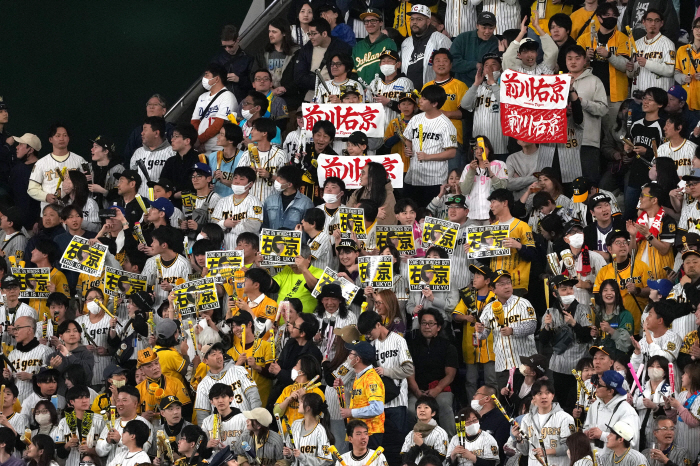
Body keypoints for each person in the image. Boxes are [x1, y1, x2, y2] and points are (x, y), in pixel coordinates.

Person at [358, 310, 414, 466]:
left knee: (396, 447)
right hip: (377, 406)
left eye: (369, 332)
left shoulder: (398, 340)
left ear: (378, 324)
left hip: (396, 402)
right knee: (378, 449)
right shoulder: (371, 345)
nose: (368, 336)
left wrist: (386, 371)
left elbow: (409, 369)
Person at [540, 275, 594, 412]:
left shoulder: (583, 309)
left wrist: (574, 324)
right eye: (564, 289)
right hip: (559, 365)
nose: (569, 292)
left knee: (580, 404)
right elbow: (543, 341)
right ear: (555, 293)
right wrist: (546, 327)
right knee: (562, 404)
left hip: (580, 364)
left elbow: (588, 337)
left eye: (571, 288)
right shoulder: (549, 312)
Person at [476, 269, 537, 389]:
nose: (507, 286)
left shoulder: (523, 303)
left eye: (508, 283)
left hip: (525, 365)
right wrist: (479, 330)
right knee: (506, 403)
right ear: (493, 289)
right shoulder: (488, 309)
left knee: (526, 402)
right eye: (502, 284)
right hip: (502, 365)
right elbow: (483, 336)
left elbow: (532, 326)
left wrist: (513, 330)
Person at [576, 3, 630, 128]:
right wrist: (585, 58)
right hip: (590, 93)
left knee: (612, 131)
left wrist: (609, 56)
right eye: (607, 15)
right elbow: (573, 63)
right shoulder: (585, 39)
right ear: (599, 18)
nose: (611, 17)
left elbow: (625, 66)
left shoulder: (622, 38)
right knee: (590, 129)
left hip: (613, 95)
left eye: (614, 15)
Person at [402, 85, 457, 202]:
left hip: (434, 180)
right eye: (421, 97)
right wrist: (408, 148)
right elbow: (408, 138)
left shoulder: (446, 124)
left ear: (434, 103)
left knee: (429, 215)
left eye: (424, 99)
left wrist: (428, 157)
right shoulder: (416, 119)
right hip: (414, 176)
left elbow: (452, 152)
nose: (420, 101)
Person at [406, 309, 457, 436]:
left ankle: (451, 441)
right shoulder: (411, 345)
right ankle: (416, 443)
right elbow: (409, 371)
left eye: (430, 324)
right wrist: (417, 391)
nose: (426, 327)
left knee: (444, 406)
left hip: (440, 389)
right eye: (423, 323)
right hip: (417, 389)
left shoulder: (448, 346)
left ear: (438, 327)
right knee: (411, 409)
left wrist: (437, 389)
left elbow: (450, 375)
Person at [593, 229, 650, 333]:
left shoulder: (641, 266)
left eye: (625, 242)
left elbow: (653, 291)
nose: (622, 245)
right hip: (614, 326)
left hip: (640, 325)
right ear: (609, 249)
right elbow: (597, 297)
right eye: (618, 243)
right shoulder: (604, 271)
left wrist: (637, 290)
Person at [194, 343, 262, 425]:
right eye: (214, 354)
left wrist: (256, 419)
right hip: (223, 432)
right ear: (205, 360)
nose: (219, 356)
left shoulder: (239, 370)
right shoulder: (203, 385)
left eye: (220, 353)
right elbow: (202, 416)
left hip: (247, 424)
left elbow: (253, 395)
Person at [513, 380, 575, 466]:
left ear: (552, 396)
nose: (544, 397)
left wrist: (546, 451)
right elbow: (524, 452)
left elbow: (570, 446)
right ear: (533, 397)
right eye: (539, 393)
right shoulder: (526, 419)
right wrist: (518, 439)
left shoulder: (565, 418)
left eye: (547, 393)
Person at [487, 189, 536, 294]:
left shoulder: (523, 226)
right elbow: (487, 259)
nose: (491, 206)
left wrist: (519, 246)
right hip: (495, 283)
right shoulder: (491, 228)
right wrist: (474, 251)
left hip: (516, 283)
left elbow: (533, 255)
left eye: (493, 202)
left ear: (505, 203)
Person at [28, 123, 87, 211]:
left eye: (65, 135)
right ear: (50, 139)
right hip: (50, 211)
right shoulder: (41, 163)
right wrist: (45, 196)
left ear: (68, 138)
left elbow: (87, 185)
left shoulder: (80, 161)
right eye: (58, 135)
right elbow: (32, 189)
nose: (61, 138)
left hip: (74, 211)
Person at [294, 18, 353, 103]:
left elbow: (349, 72)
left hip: (338, 94)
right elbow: (298, 76)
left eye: (313, 34)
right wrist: (320, 83)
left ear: (324, 33)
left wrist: (333, 84)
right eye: (309, 34)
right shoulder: (306, 49)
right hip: (312, 94)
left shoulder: (342, 48)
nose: (310, 37)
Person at [626, 182, 676, 280]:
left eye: (642, 195)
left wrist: (648, 235)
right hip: (640, 277)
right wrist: (632, 236)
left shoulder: (667, 221)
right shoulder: (640, 221)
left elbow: (664, 250)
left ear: (654, 200)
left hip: (661, 278)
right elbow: (632, 254)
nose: (639, 198)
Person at [339, 341, 385, 448]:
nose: (349, 356)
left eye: (351, 354)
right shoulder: (359, 376)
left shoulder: (371, 378)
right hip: (358, 431)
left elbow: (377, 408)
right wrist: (340, 389)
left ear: (358, 359)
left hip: (370, 433)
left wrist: (351, 412)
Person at [94, 386, 153, 466]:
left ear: (135, 403)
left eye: (124, 400)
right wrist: (107, 441)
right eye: (118, 400)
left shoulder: (144, 424)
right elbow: (99, 452)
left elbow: (143, 448)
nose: (119, 404)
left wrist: (120, 440)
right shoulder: (111, 423)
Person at [582, 370, 639, 452]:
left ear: (610, 391)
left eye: (600, 385)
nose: (596, 387)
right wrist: (587, 433)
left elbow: (631, 441)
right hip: (595, 458)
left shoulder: (627, 412)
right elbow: (586, 426)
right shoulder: (595, 405)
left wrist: (602, 435)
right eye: (597, 383)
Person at [211, 166, 264, 251]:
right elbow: (213, 225)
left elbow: (253, 226)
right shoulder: (222, 201)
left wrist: (227, 226)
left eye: (242, 179)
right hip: (224, 248)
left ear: (250, 184)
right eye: (235, 178)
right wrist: (224, 224)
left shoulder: (254, 202)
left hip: (246, 250)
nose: (237, 181)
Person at [401, 5, 452, 90]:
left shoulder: (441, 39)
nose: (414, 22)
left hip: (433, 92)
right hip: (409, 95)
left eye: (419, 19)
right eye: (412, 19)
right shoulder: (406, 42)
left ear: (428, 21)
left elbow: (450, 66)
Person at [236, 118, 287, 201]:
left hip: (273, 203)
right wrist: (248, 173)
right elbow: (236, 178)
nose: (251, 132)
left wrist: (270, 176)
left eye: (254, 129)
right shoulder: (247, 153)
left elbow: (287, 182)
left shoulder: (280, 154)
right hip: (250, 202)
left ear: (264, 133)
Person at [192, 63, 238, 153]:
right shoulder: (202, 97)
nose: (204, 78)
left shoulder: (227, 96)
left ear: (216, 78)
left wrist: (200, 140)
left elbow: (219, 124)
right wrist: (198, 140)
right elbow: (195, 121)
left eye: (207, 75)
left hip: (218, 147)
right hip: (201, 147)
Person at [141, 227, 191, 309]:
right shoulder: (151, 262)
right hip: (156, 311)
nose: (151, 244)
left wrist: (172, 288)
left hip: (177, 311)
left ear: (164, 245)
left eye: (154, 241)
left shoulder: (184, 264)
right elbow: (144, 286)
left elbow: (189, 292)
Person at [627, 10, 675, 96]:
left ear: (661, 23)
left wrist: (647, 63)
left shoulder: (668, 44)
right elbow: (631, 75)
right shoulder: (636, 44)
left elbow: (670, 70)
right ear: (643, 22)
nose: (653, 24)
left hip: (658, 97)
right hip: (638, 95)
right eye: (649, 20)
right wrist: (630, 69)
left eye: (657, 21)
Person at [4, 316, 52, 402]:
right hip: (16, 404)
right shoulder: (12, 354)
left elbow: (51, 379)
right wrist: (7, 377)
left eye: (18, 328)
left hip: (38, 402)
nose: (15, 332)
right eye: (14, 329)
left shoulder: (45, 351)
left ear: (30, 330)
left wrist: (31, 377)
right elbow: (9, 384)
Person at [56, 386, 105, 466]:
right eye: (80, 398)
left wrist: (90, 450)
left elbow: (107, 447)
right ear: (72, 402)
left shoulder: (100, 420)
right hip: (72, 462)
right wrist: (68, 445)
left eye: (87, 397)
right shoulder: (63, 422)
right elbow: (60, 453)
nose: (84, 401)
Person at [129, 116, 175, 199]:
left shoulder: (172, 152)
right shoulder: (138, 152)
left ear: (156, 133)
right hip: (140, 202)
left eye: (145, 129)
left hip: (161, 204)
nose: (142, 133)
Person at [123, 95, 174, 166]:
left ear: (164, 110)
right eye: (149, 104)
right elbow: (128, 156)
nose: (151, 107)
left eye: (155, 104)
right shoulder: (137, 131)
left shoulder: (171, 130)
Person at [283, 393, 333, 465]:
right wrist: (289, 454)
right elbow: (291, 456)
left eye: (301, 402)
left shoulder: (320, 431)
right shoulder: (295, 424)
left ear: (308, 408)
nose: (298, 403)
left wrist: (302, 457)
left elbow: (325, 461)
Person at [352, 8, 397, 87]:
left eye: (373, 20)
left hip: (382, 90)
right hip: (361, 93)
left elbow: (392, 70)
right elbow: (353, 72)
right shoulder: (358, 46)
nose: (369, 24)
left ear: (381, 23)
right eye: (366, 21)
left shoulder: (389, 43)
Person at [400, 395, 449, 464]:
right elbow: (404, 459)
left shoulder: (440, 433)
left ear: (433, 413)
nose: (422, 410)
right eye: (419, 407)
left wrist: (421, 445)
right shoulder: (411, 434)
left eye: (426, 407)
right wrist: (416, 446)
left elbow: (440, 458)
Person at [263, 165, 314, 230]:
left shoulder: (306, 203)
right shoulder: (270, 200)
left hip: (295, 240)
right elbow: (264, 225)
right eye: (277, 177)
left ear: (290, 184)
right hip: (272, 239)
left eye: (281, 178)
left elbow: (309, 229)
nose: (277, 180)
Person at [212, 24, 253, 104]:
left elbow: (253, 84)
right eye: (224, 46)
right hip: (222, 103)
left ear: (237, 40)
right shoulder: (217, 60)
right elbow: (208, 82)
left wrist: (239, 79)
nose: (227, 49)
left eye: (230, 46)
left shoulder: (248, 59)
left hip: (242, 103)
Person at [201, 383, 247, 454]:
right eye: (216, 398)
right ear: (212, 402)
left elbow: (250, 445)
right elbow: (200, 448)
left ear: (231, 398)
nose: (220, 401)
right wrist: (206, 445)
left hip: (237, 461)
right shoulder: (206, 422)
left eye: (223, 397)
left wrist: (232, 451)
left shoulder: (243, 419)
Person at [469, 386, 510, 463]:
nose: (473, 396)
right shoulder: (471, 418)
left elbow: (497, 451)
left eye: (477, 393)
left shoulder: (501, 420)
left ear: (487, 398)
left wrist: (471, 455)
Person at [9, 133, 41, 231]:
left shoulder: (42, 168)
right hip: (17, 225)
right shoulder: (17, 169)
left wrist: (39, 220)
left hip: (35, 227)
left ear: (30, 150)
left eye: (21, 144)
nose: (17, 147)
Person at [159, 123, 200, 199]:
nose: (172, 140)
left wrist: (184, 193)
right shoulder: (170, 162)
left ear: (187, 141)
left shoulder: (200, 159)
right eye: (172, 136)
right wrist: (174, 195)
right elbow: (162, 184)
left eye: (176, 136)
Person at [209, 122, 245, 198]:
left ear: (231, 140)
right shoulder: (213, 156)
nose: (218, 137)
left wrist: (223, 180)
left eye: (221, 134)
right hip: (214, 200)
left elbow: (244, 186)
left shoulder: (244, 157)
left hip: (235, 201)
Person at [87, 134, 124, 209]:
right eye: (92, 146)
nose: (92, 149)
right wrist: (82, 181)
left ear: (106, 151)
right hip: (90, 213)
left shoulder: (118, 169)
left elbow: (122, 194)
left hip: (110, 212)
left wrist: (103, 191)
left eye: (96, 147)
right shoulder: (88, 168)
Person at [0, 274, 36, 347]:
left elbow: (36, 337)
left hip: (22, 354)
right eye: (8, 288)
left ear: (19, 289)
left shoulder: (29, 311)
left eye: (15, 288)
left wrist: (18, 333)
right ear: (2, 291)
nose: (12, 291)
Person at [658, 113, 697, 178]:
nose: (664, 128)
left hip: (687, 187)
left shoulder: (693, 148)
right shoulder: (661, 149)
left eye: (668, 124)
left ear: (679, 128)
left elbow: (698, 171)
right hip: (666, 187)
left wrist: (685, 178)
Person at [676, 18, 700, 113]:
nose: (699, 30)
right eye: (697, 27)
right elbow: (676, 72)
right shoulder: (682, 49)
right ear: (692, 29)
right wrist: (683, 77)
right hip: (685, 101)